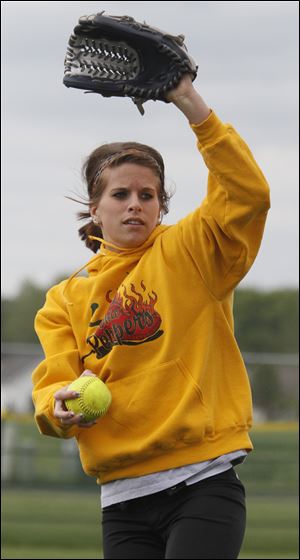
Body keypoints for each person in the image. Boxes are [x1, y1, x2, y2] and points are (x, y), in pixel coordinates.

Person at [32, 74, 270, 559]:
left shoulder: (190, 254)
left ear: (162, 205)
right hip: (122, 496)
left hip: (203, 479)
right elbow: (54, 383)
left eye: (148, 195)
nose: (135, 204)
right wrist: (54, 406)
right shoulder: (65, 299)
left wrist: (190, 104)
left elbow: (248, 195)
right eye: (120, 195)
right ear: (95, 209)